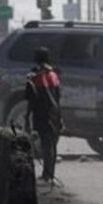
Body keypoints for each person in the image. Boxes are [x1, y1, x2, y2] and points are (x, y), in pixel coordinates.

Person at [25, 46, 62, 184]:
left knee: (46, 144)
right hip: (54, 112)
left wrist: (28, 118)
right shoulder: (54, 75)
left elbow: (31, 99)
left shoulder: (35, 77)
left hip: (42, 114)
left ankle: (47, 176)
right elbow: (58, 97)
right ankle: (49, 174)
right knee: (51, 144)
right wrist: (60, 116)